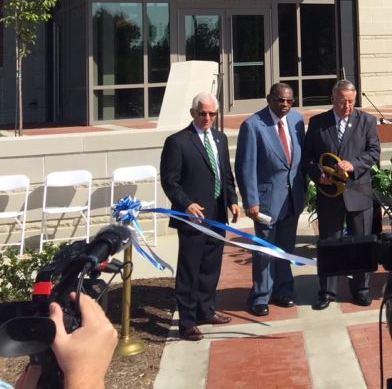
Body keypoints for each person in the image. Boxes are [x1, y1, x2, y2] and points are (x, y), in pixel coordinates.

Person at [160, 92, 240, 341]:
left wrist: (234, 201)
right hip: (193, 218)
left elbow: (225, 175)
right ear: (193, 113)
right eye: (202, 113)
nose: (207, 118)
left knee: (211, 268)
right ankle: (186, 323)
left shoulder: (220, 138)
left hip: (217, 215)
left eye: (212, 114)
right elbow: (170, 182)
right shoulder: (178, 142)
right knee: (189, 271)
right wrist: (186, 205)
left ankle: (206, 310)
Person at [303, 79, 380, 308]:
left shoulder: (366, 121)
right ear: (333, 99)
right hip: (329, 194)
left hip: (358, 191)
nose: (347, 106)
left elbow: (374, 151)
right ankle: (327, 291)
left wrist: (354, 164)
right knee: (329, 243)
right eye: (342, 101)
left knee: (361, 242)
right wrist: (318, 175)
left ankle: (362, 289)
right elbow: (307, 156)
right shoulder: (318, 123)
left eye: (351, 101)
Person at [234, 82, 306, 317]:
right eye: (279, 100)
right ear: (269, 99)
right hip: (265, 202)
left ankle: (283, 291)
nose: (284, 104)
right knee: (265, 251)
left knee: (285, 248)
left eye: (288, 100)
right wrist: (251, 201)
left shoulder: (296, 120)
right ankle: (260, 296)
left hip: (292, 199)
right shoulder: (253, 126)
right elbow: (246, 167)